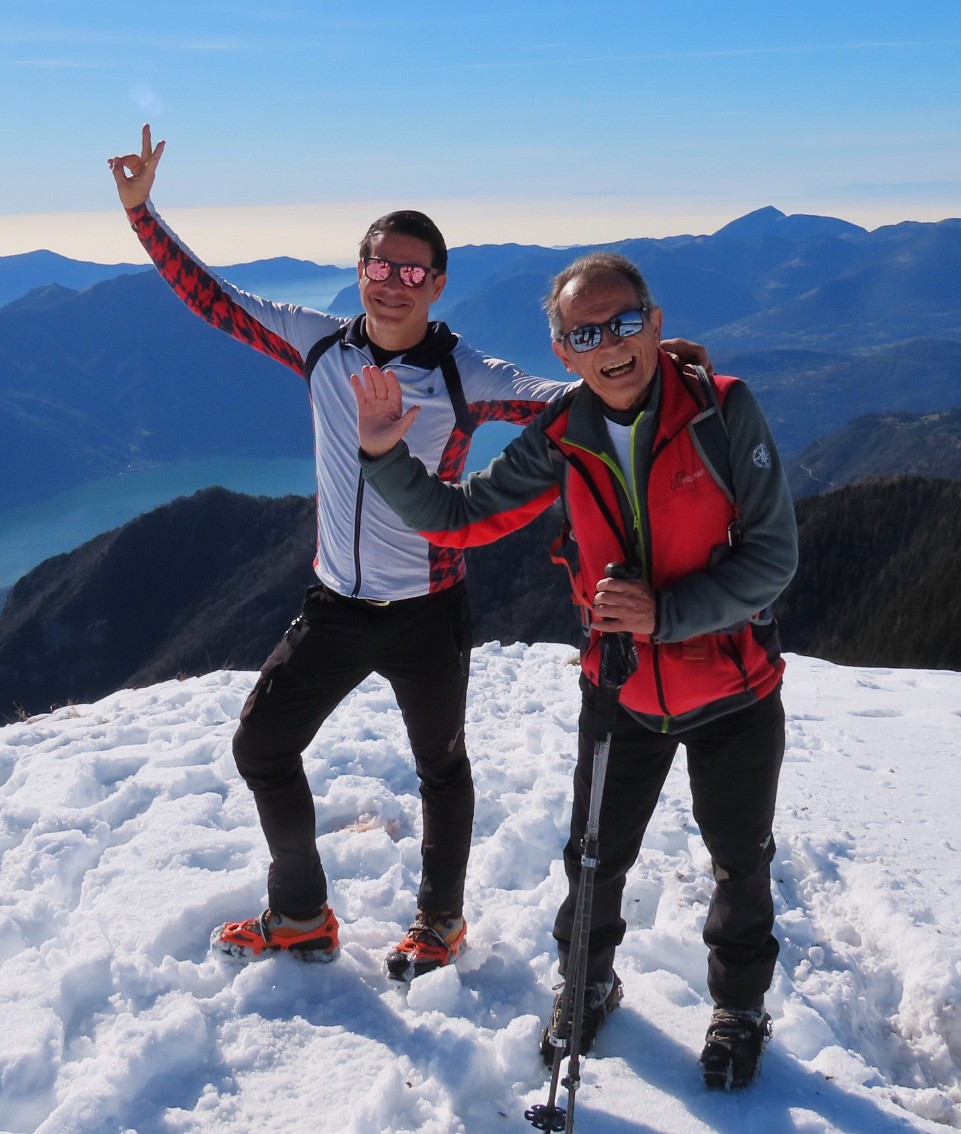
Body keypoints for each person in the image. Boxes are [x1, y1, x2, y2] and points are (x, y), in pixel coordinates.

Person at [107, 128, 710, 982]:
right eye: (380, 267)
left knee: (441, 768)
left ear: (437, 282)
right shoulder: (317, 344)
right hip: (335, 606)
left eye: (412, 270)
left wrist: (648, 367)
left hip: (429, 610)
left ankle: (440, 922)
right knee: (261, 748)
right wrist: (142, 212)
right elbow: (211, 298)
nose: (394, 284)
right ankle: (302, 914)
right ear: (360, 272)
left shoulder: (465, 375)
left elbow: (567, 400)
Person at [353, 251, 796, 1087]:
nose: (611, 343)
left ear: (655, 324)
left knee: (741, 859)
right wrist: (385, 458)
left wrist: (664, 614)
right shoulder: (563, 437)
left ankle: (738, 1007)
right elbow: (461, 516)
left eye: (624, 321)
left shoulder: (723, 411)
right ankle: (586, 984)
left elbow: (773, 558)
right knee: (594, 855)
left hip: (736, 691)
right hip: (620, 691)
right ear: (564, 354)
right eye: (585, 332)